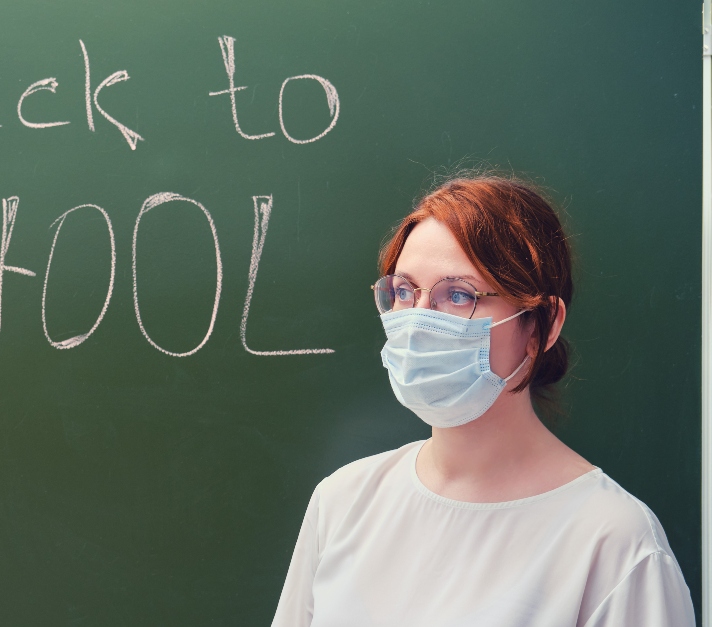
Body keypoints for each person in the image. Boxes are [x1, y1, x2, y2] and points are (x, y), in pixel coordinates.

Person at [270, 176, 696, 626]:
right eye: (403, 291)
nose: (417, 321)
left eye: (457, 296)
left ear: (541, 327)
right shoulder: (342, 502)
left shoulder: (614, 544)